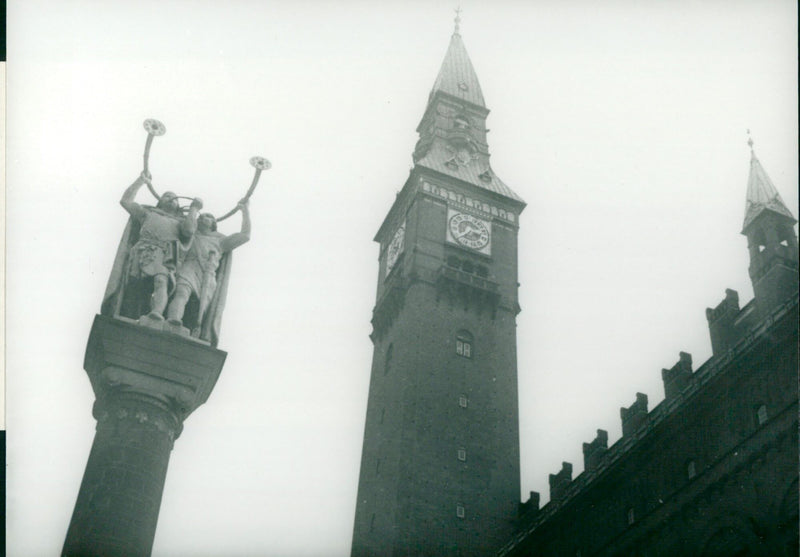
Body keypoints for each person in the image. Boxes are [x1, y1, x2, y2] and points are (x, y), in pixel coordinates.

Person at [119, 171, 203, 319]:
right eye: (167, 196)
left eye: (174, 198)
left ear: (178, 205)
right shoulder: (148, 213)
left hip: (165, 254)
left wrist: (194, 209)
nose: (171, 199)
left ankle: (156, 313)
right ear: (160, 201)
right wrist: (141, 180)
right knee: (133, 285)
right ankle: (127, 315)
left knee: (161, 280)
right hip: (143, 250)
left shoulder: (179, 221)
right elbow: (126, 201)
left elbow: (190, 230)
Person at [166, 199, 250, 331]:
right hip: (189, 266)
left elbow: (244, 235)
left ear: (213, 224)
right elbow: (186, 227)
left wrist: (245, 211)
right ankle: (173, 320)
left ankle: (193, 330)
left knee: (200, 309)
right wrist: (193, 210)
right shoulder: (191, 234)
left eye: (209, 217)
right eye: (202, 216)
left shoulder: (220, 240)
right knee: (182, 292)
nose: (204, 217)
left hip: (207, 275)